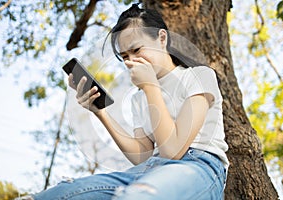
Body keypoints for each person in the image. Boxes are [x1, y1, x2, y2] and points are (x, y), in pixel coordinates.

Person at [25, 3, 229, 200]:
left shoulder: (199, 76)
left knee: (138, 195)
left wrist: (150, 87)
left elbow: (173, 150)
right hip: (149, 170)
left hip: (198, 167)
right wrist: (100, 112)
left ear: (161, 38)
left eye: (137, 49)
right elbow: (142, 155)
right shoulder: (139, 98)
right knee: (65, 193)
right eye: (124, 56)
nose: (131, 61)